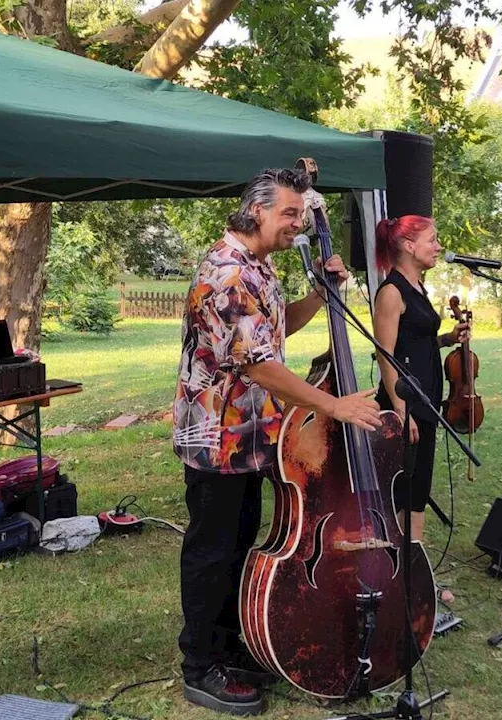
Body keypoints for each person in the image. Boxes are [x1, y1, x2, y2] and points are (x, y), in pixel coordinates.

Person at [172, 169, 383, 716]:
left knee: (240, 545)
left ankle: (227, 645)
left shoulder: (260, 269)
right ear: (257, 211)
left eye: (302, 215)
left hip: (252, 435)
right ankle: (199, 666)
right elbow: (259, 364)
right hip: (217, 436)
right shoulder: (227, 273)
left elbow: (275, 331)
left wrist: (320, 293)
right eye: (291, 214)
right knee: (212, 550)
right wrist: (334, 405)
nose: (300, 225)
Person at [370, 215, 469, 602]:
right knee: (404, 491)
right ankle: (403, 578)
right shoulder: (391, 292)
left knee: (418, 489)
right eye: (432, 239)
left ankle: (414, 575)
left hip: (425, 403)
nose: (438, 246)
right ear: (409, 246)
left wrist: (446, 337)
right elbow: (386, 354)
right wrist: (400, 409)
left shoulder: (418, 287)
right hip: (405, 405)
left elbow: (417, 342)